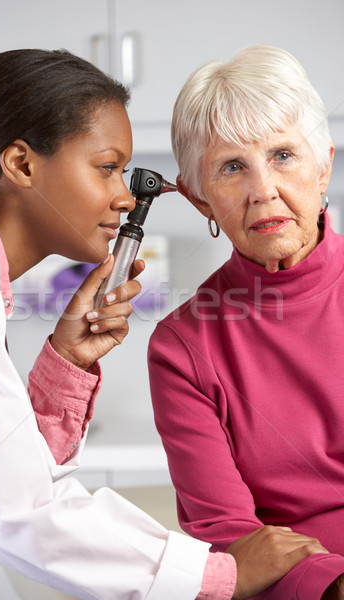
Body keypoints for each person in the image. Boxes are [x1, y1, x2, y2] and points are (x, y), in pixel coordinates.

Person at [0, 48, 326, 600]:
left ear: (324, 166)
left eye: (284, 154)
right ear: (23, 165)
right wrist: (220, 574)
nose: (125, 196)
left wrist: (68, 364)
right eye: (108, 167)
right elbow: (17, 509)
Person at [148, 44, 344, 600]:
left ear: (323, 163)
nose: (263, 190)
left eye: (283, 154)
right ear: (200, 200)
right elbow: (233, 542)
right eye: (232, 167)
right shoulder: (182, 346)